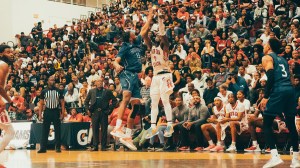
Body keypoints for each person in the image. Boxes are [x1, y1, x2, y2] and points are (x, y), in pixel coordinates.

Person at [110, 9, 148, 150]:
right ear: (130, 37)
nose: (134, 31)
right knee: (126, 96)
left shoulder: (137, 42)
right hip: (127, 73)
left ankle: (128, 136)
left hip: (136, 76)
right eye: (132, 31)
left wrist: (150, 16)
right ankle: (118, 127)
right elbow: (116, 60)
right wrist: (116, 65)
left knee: (136, 105)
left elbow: (144, 30)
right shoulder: (125, 46)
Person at [259, 38, 300, 168]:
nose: (264, 46)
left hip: (279, 90)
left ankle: (275, 156)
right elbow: (292, 79)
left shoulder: (267, 57)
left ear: (269, 46)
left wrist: (266, 97)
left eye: (266, 44)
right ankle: (296, 160)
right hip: (290, 91)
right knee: (291, 125)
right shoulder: (283, 60)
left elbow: (270, 76)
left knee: (266, 123)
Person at [142, 7, 175, 139]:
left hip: (165, 74)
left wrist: (160, 19)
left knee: (165, 101)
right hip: (155, 77)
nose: (155, 35)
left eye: (157, 34)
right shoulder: (151, 47)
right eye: (154, 33)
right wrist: (150, 18)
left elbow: (163, 36)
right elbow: (144, 35)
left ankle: (170, 124)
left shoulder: (165, 45)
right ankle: (153, 126)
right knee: (154, 102)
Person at [84, 78, 117, 151]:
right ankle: (95, 146)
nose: (99, 83)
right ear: (95, 83)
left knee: (104, 129)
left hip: (104, 112)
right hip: (94, 112)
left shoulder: (107, 91)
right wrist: (87, 110)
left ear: (103, 83)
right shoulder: (91, 91)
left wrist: (110, 110)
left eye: (101, 81)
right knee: (95, 129)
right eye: (98, 81)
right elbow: (86, 102)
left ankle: (103, 146)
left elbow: (114, 101)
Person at [37, 76, 65, 153]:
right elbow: (41, 103)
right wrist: (40, 114)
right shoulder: (44, 91)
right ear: (48, 81)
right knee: (45, 130)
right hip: (47, 111)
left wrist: (62, 114)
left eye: (53, 80)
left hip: (56, 111)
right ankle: (43, 148)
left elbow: (62, 103)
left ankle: (58, 147)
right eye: (51, 80)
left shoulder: (59, 91)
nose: (52, 81)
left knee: (58, 130)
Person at [0, 45, 16, 167]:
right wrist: (10, 101)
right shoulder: (3, 65)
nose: (11, 54)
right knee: (10, 132)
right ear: (1, 54)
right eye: (8, 52)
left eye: (12, 51)